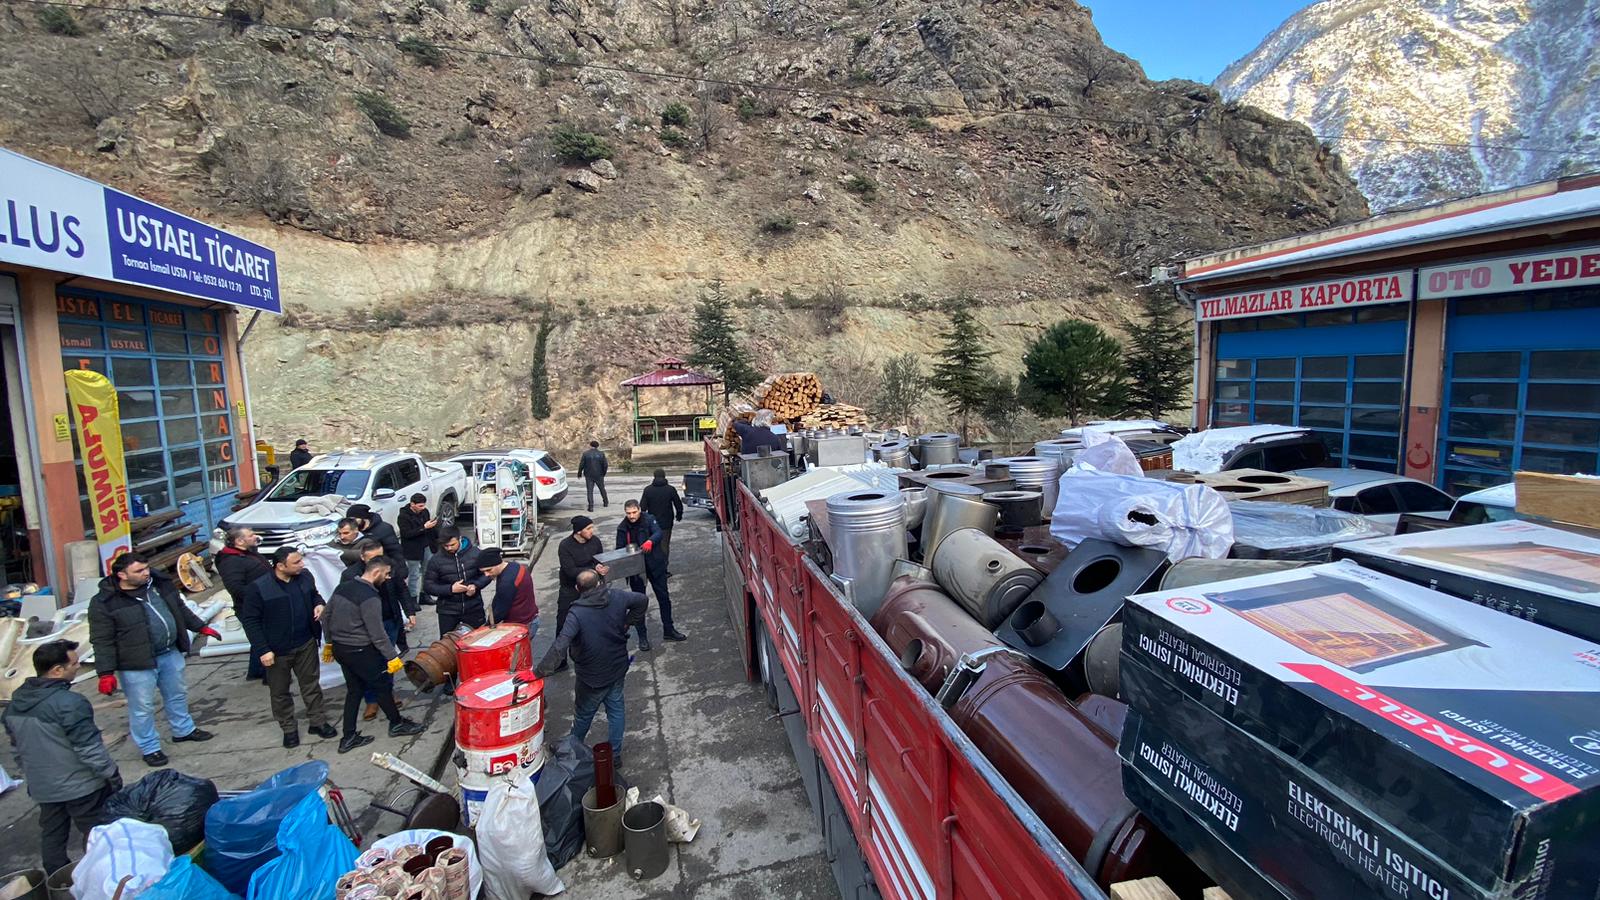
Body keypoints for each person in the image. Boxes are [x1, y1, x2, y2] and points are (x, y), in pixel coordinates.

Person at [88, 553, 218, 767]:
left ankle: (183, 730)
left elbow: (180, 609)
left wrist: (199, 626)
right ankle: (150, 748)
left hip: (168, 653)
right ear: (121, 574)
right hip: (136, 663)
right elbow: (102, 639)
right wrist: (105, 673)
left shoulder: (159, 585)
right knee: (142, 707)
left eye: (146, 568)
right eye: (138, 571)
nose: (146, 573)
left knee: (177, 694)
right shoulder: (105, 602)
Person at [3, 640, 121, 874]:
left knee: (53, 834)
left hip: (43, 787)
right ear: (57, 670)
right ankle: (102, 878)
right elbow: (90, 750)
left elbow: (18, 752)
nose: (78, 667)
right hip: (82, 787)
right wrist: (111, 775)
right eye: (74, 664)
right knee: (97, 834)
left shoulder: (14, 706)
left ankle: (59, 878)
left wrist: (35, 777)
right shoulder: (70, 704)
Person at [534, 569, 646, 757]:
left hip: (592, 675)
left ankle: (571, 753)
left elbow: (561, 644)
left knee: (584, 714)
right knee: (616, 709)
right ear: (599, 583)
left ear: (578, 588)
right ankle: (615, 754)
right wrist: (627, 623)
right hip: (617, 666)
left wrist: (537, 673)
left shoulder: (577, 613)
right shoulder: (616, 596)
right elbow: (642, 600)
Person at [239, 548, 337, 748]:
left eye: (301, 560)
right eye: (296, 562)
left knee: (311, 684)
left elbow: (314, 595)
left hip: (305, 642)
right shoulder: (259, 588)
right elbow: (251, 621)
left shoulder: (304, 578)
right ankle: (288, 728)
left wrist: (319, 604)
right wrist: (263, 649)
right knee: (280, 691)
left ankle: (317, 722)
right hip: (277, 650)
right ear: (280, 566)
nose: (302, 565)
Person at [325, 557, 425, 753]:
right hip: (362, 650)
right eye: (387, 574)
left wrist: (330, 642)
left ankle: (349, 735)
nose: (388, 579)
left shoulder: (343, 587)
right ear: (377, 572)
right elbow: (376, 632)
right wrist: (391, 656)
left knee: (354, 691)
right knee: (382, 686)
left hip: (341, 648)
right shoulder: (370, 597)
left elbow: (325, 616)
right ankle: (396, 724)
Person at [342, 539, 419, 720]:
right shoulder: (350, 575)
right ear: (362, 557)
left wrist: (410, 611)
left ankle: (388, 693)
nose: (378, 562)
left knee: (389, 660)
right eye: (373, 558)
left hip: (388, 620)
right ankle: (371, 700)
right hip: (365, 627)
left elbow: (401, 589)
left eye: (380, 556)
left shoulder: (389, 568)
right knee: (370, 664)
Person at [616, 500, 685, 649]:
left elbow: (659, 533)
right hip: (636, 570)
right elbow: (619, 549)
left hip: (655, 565)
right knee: (638, 603)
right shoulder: (623, 528)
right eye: (628, 513)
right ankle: (642, 637)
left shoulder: (649, 519)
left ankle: (669, 630)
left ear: (639, 510)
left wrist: (650, 541)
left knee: (664, 598)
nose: (632, 516)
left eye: (634, 512)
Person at [554, 516, 609, 670]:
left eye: (592, 527)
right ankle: (560, 660)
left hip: (592, 587)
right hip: (570, 588)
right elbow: (570, 570)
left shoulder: (595, 541)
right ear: (578, 532)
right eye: (589, 529)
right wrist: (592, 570)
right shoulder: (565, 546)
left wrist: (601, 568)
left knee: (598, 619)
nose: (593, 531)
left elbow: (599, 559)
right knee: (563, 622)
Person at [424, 527, 490, 633]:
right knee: (448, 643)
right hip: (448, 610)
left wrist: (476, 585)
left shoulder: (475, 553)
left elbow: (487, 574)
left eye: (452, 544)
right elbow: (428, 586)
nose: (449, 548)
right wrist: (450, 589)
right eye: (446, 546)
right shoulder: (436, 560)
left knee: (478, 639)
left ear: (459, 539)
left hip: (473, 607)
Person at [477, 548, 538, 635]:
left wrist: (486, 627)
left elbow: (500, 610)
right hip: (531, 618)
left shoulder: (506, 582)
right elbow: (499, 598)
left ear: (497, 564)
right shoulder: (515, 566)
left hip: (521, 626)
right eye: (483, 572)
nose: (486, 574)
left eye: (489, 570)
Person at [639, 468, 684, 573]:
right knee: (664, 545)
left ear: (654, 476)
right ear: (664, 476)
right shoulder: (670, 489)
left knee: (653, 543)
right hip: (666, 522)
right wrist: (679, 515)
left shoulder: (648, 490)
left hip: (651, 523)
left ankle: (653, 567)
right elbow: (678, 503)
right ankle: (663, 569)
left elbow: (643, 507)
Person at [396, 493, 438, 605]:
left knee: (427, 572)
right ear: (412, 504)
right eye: (420, 506)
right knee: (414, 574)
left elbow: (430, 530)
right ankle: (412, 598)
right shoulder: (403, 517)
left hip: (426, 545)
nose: (422, 508)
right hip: (412, 549)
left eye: (423, 505)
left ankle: (425, 594)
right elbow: (406, 534)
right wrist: (423, 528)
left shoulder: (425, 512)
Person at [579, 441, 609, 511]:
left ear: (590, 445)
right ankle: (605, 502)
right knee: (602, 489)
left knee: (590, 491)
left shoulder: (586, 454)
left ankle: (591, 506)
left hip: (589, 474)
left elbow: (582, 464)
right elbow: (605, 465)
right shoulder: (601, 454)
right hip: (599, 474)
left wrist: (579, 472)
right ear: (597, 446)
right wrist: (603, 473)